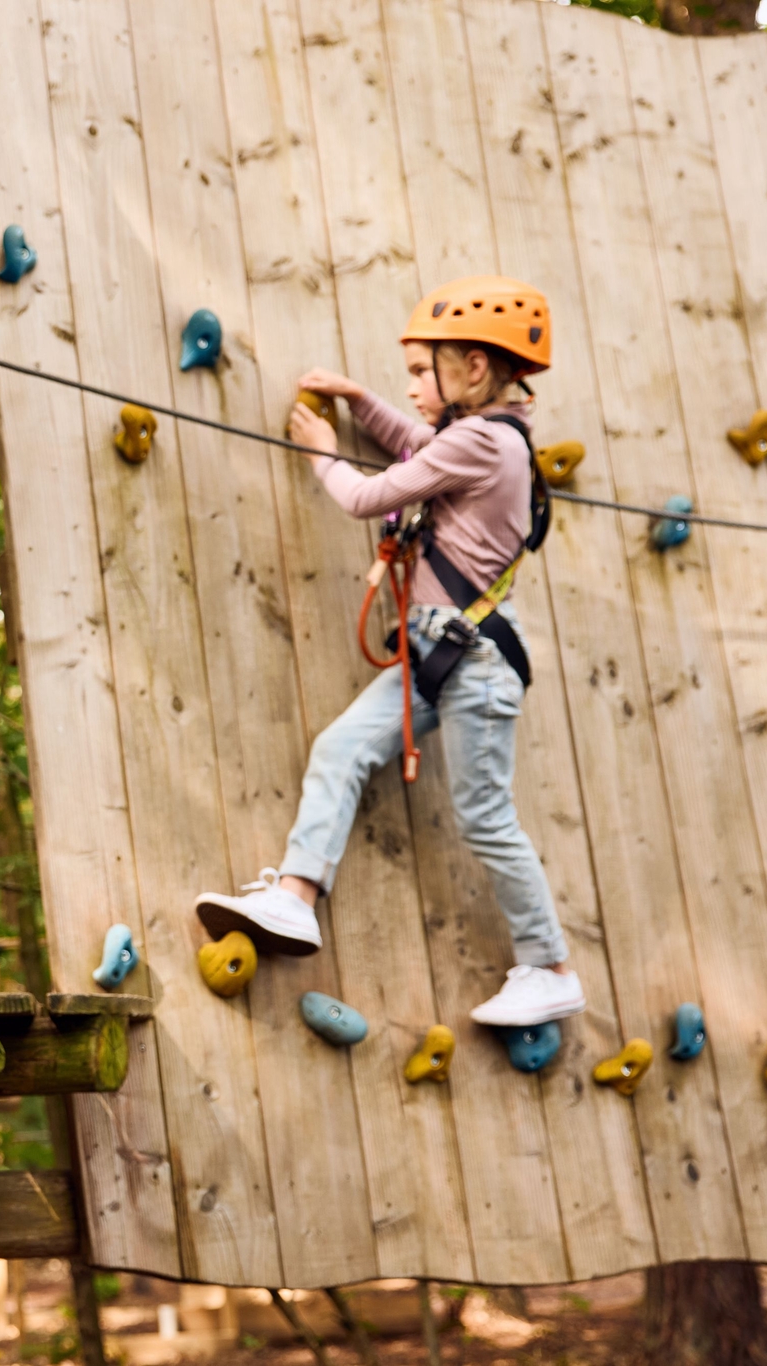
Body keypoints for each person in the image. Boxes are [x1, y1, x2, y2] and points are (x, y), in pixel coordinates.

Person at [193, 276, 584, 1029]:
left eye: (420, 370)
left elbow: (369, 495)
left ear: (472, 368)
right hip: (445, 659)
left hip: (471, 665)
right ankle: (298, 897)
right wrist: (360, 397)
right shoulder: (488, 439)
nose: (411, 386)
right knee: (340, 749)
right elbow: (415, 445)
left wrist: (322, 451)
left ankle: (551, 965)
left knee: (485, 814)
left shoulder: (480, 440)